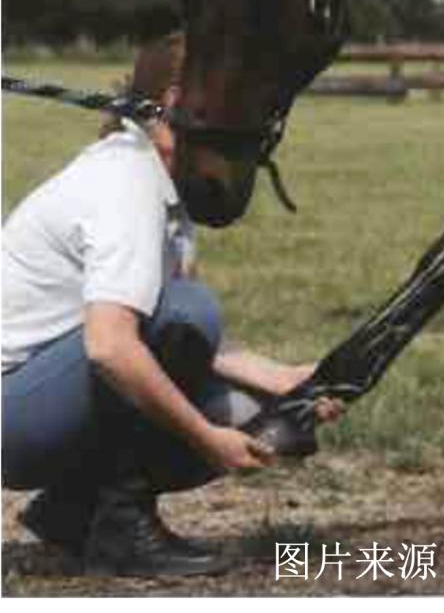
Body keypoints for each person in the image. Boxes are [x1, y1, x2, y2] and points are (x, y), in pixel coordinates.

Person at [1, 32, 342, 577]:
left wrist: (284, 380)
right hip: (14, 416)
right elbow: (112, 347)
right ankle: (122, 527)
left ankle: (73, 511)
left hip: (47, 398)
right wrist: (207, 440)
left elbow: (178, 339)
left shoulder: (159, 181)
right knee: (190, 310)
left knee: (261, 414)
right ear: (180, 103)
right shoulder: (124, 183)